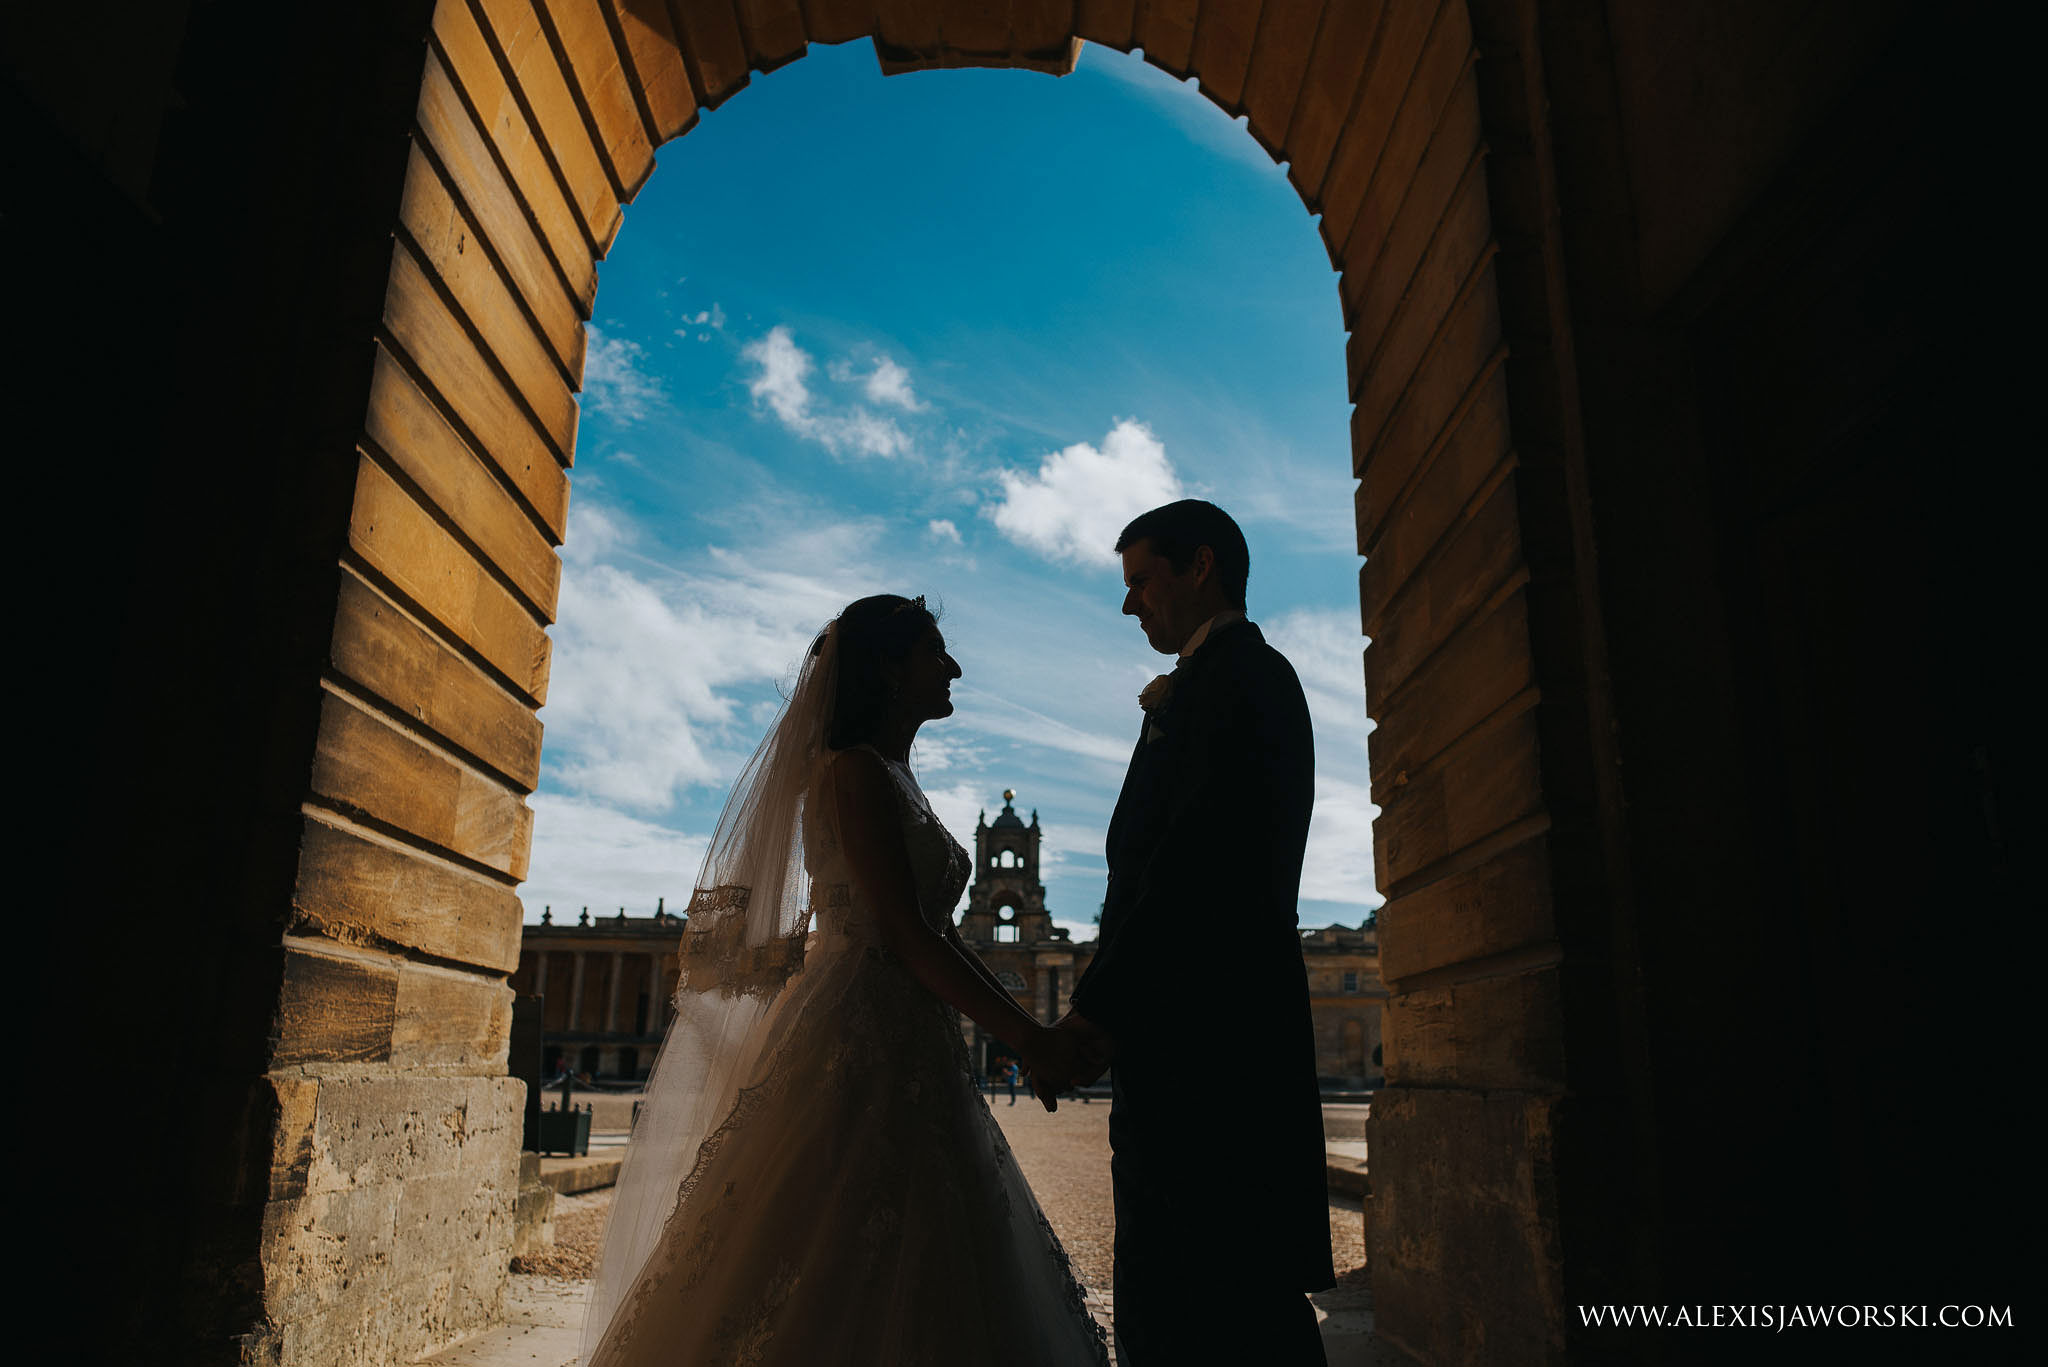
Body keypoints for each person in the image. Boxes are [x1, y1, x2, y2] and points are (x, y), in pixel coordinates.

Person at [580, 595, 1107, 1367]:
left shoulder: (891, 772)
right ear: (891, 668)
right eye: (936, 650)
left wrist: (1030, 1036)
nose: (953, 666)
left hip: (908, 1030)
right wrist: (1031, 1036)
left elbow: (942, 933)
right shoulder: (853, 771)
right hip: (861, 1020)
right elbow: (906, 932)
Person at [1034, 500, 1335, 1364]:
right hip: (1193, 1039)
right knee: (1202, 1293)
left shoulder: (1242, 677)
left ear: (1200, 566)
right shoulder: (1215, 680)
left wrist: (1091, 1016)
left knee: (1217, 1299)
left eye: (1139, 581)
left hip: (1214, 1046)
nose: (1131, 604)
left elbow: (1192, 872)